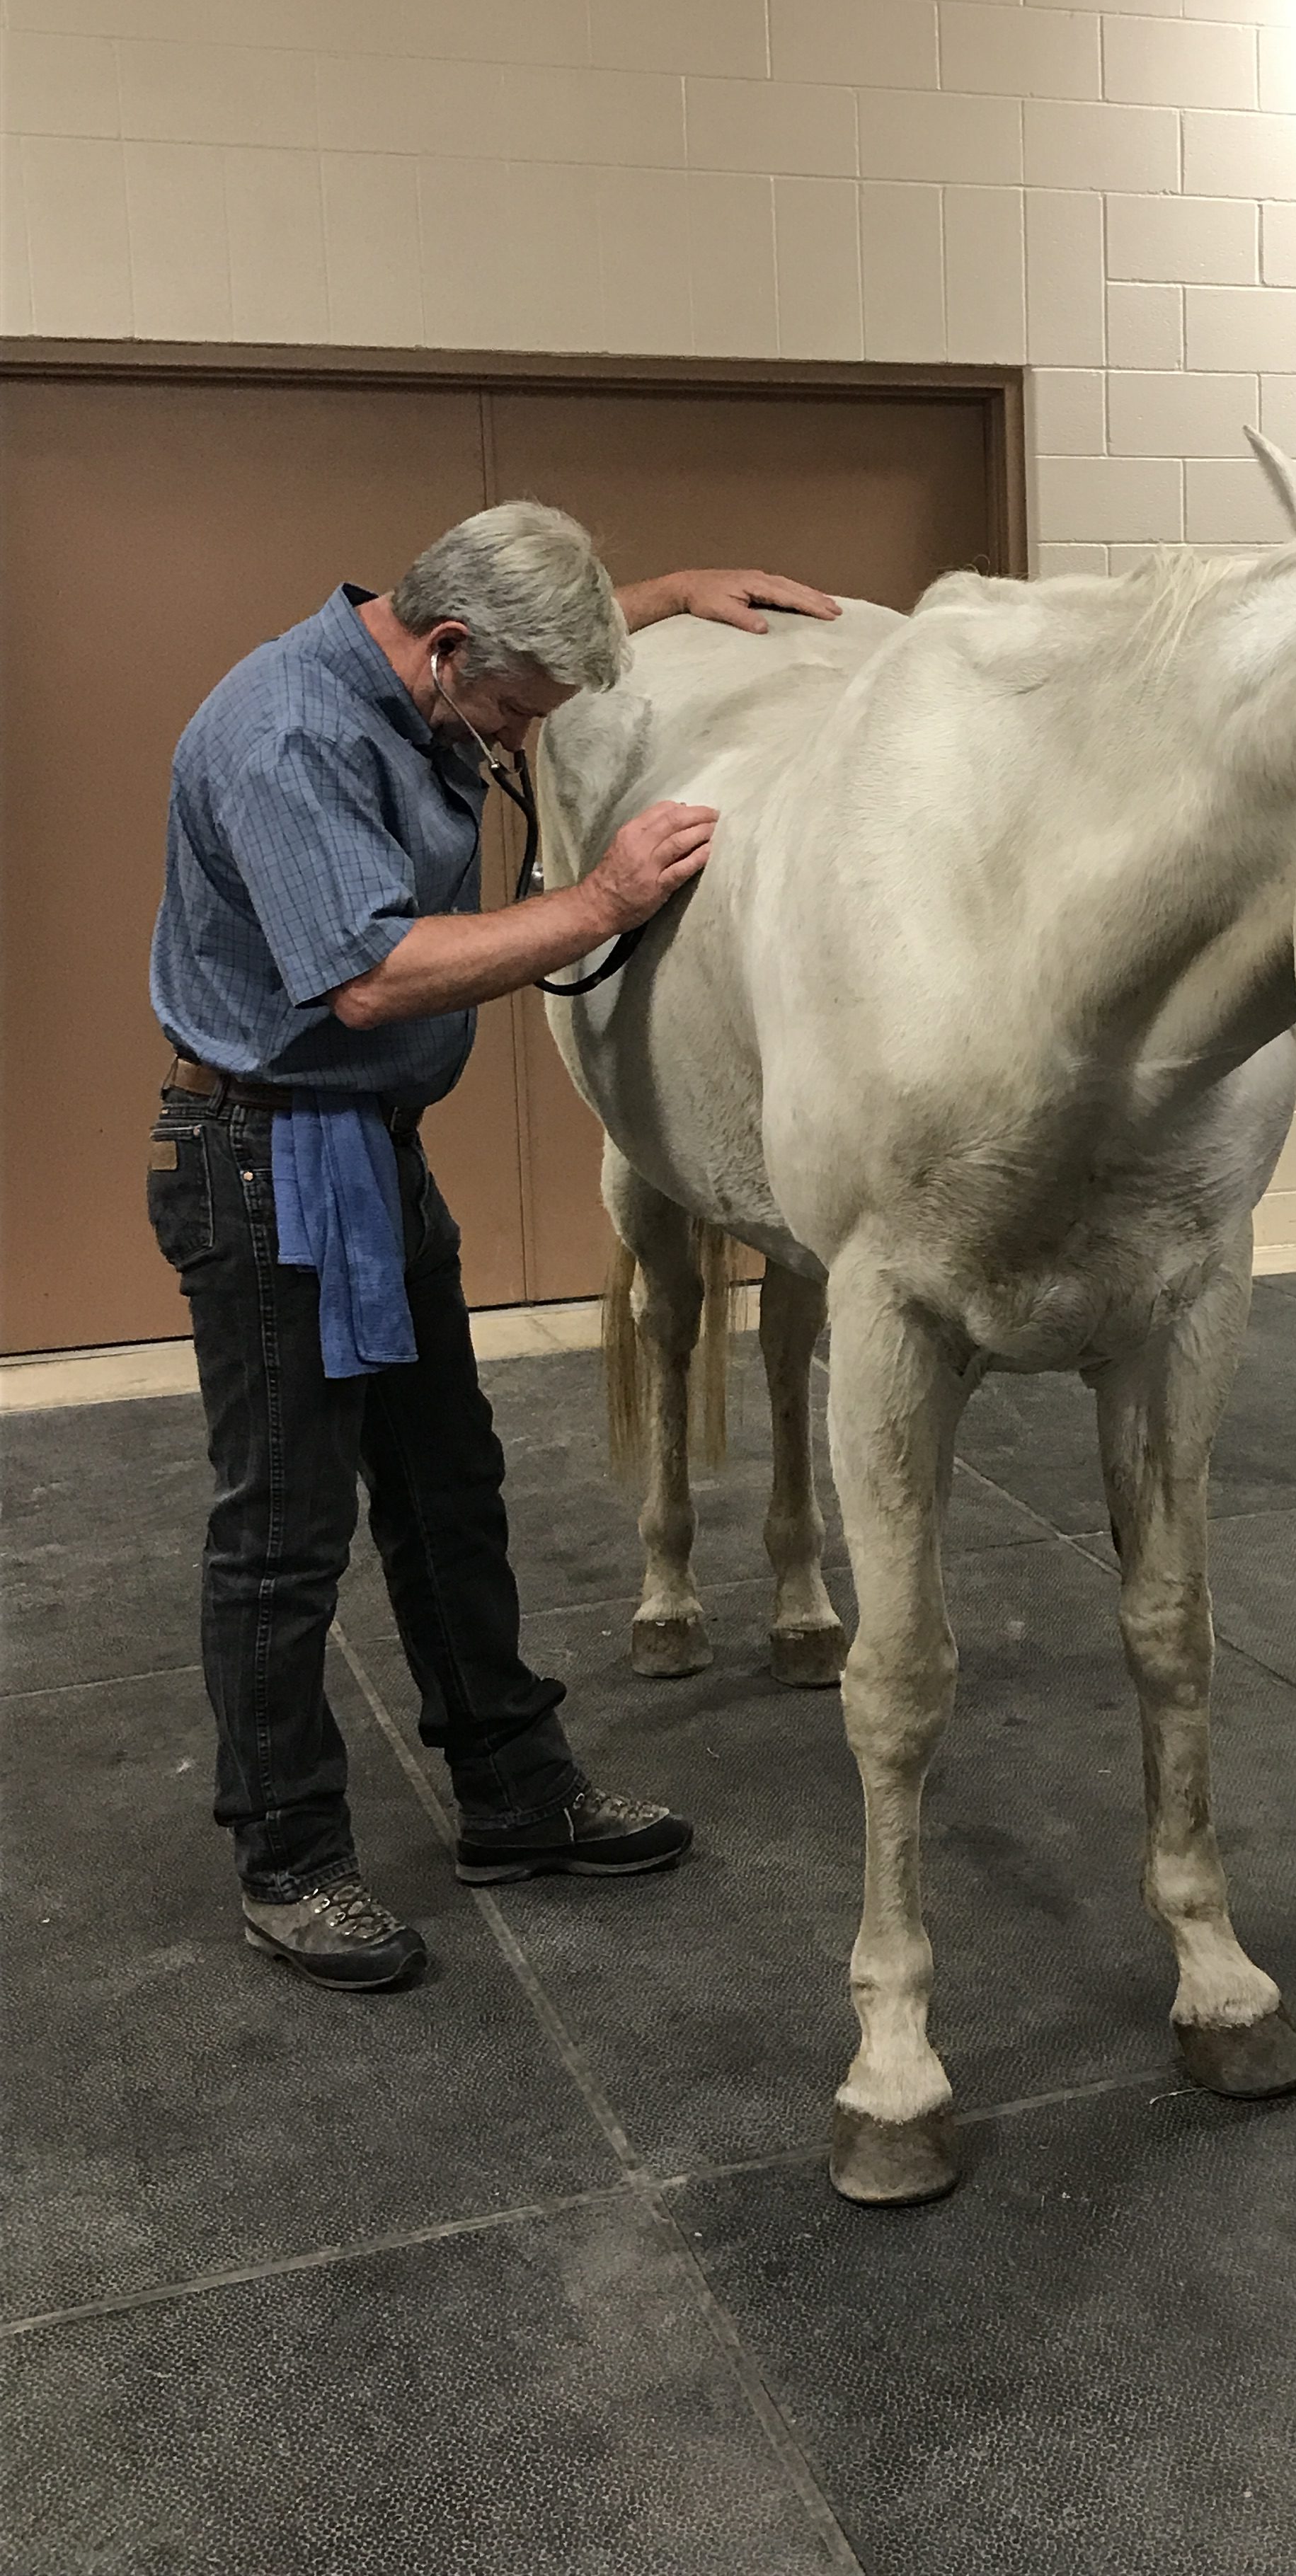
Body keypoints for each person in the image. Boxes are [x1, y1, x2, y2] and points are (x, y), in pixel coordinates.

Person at [148, 502, 839, 1992]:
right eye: (523, 706)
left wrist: (665, 592)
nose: (530, 733)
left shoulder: (421, 667)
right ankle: (289, 1860)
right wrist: (602, 901)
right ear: (450, 649)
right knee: (282, 1537)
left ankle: (515, 1794)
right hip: (265, 1165)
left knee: (449, 1490)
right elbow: (373, 978)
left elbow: (530, 655)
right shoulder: (291, 739)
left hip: (362, 1157)